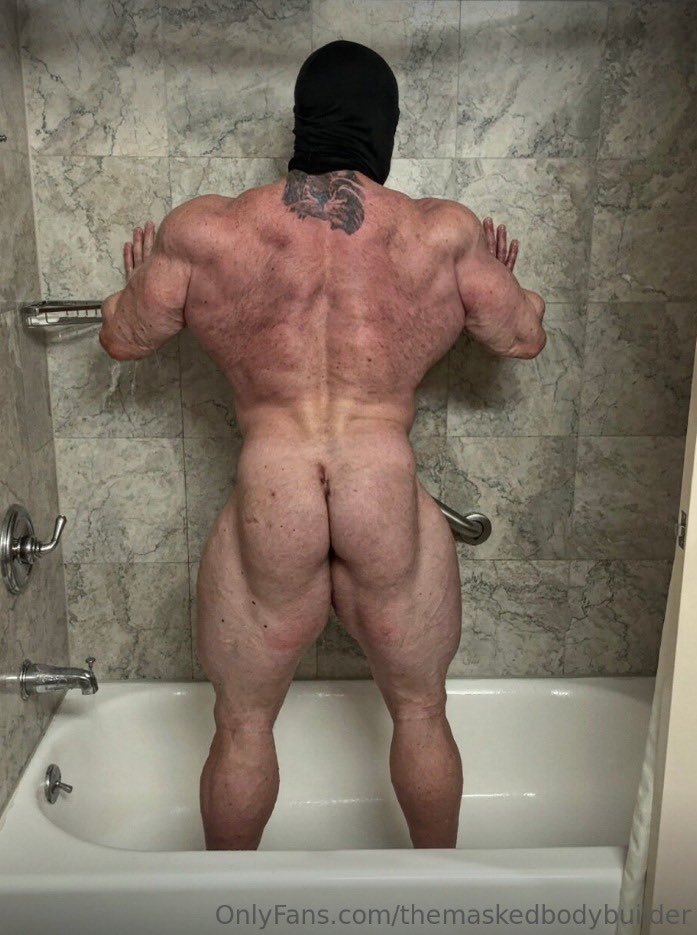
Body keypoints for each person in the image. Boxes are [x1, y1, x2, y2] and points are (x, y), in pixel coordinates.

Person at [99, 39, 546, 851]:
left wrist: (133, 286)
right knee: (420, 710)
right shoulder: (442, 233)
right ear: (384, 127)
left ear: (302, 123)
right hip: (381, 483)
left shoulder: (206, 230)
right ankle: (437, 896)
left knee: (241, 723)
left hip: (275, 487)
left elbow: (123, 339)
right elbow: (521, 337)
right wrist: (509, 283)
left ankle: (224, 904)